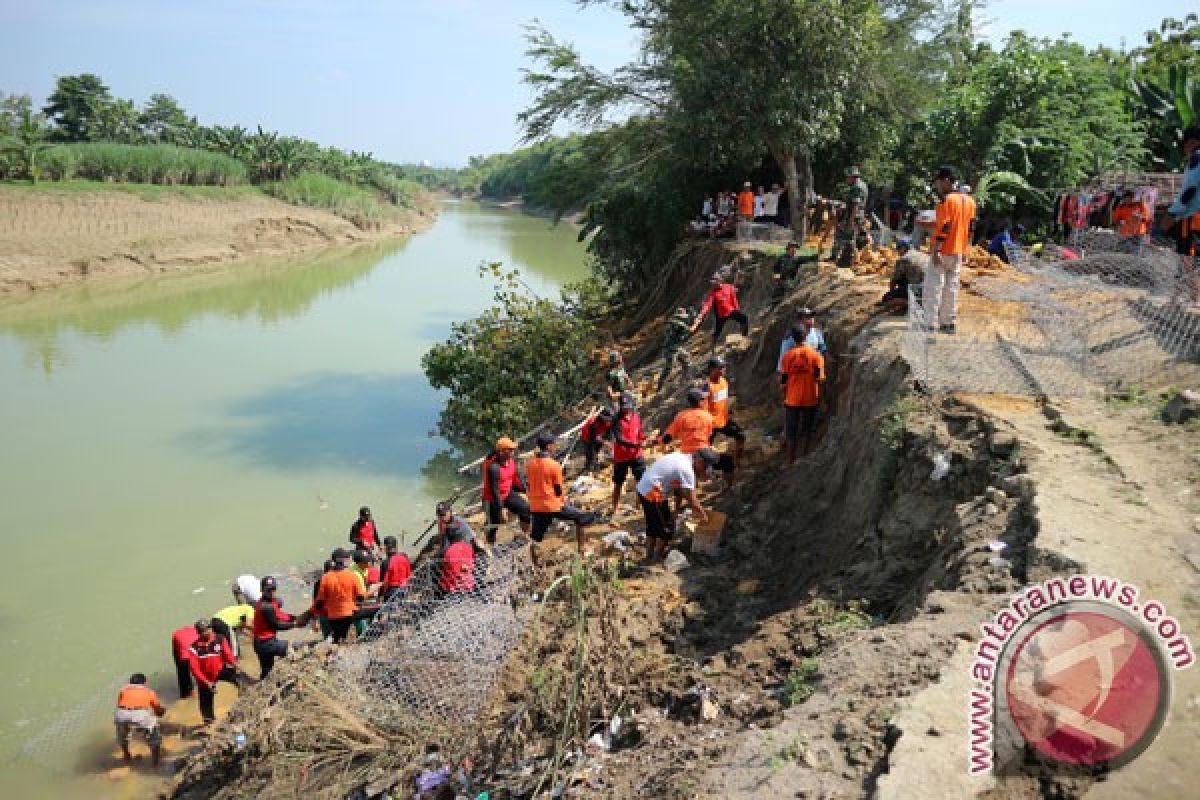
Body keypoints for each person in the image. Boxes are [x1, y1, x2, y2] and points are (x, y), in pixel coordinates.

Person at [526, 431, 598, 564]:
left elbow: (529, 485)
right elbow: (558, 490)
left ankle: (534, 563)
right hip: (552, 504)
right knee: (580, 517)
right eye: (554, 444)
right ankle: (582, 549)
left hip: (536, 506)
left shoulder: (530, 465)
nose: (555, 446)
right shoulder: (554, 465)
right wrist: (563, 500)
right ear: (548, 446)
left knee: (535, 537)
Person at [636, 449, 715, 564]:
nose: (705, 470)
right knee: (668, 528)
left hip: (644, 487)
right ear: (700, 461)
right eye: (705, 467)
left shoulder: (682, 456)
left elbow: (679, 489)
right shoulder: (687, 470)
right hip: (652, 492)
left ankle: (649, 556)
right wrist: (704, 517)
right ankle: (656, 558)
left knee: (653, 525)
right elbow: (693, 500)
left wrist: (677, 509)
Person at [924, 165, 977, 334]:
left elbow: (945, 226)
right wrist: (966, 249)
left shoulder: (946, 201)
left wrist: (936, 250)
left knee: (934, 286)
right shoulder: (970, 202)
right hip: (958, 250)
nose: (937, 185)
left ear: (947, 180)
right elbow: (971, 228)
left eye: (939, 181)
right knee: (951, 287)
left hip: (944, 249)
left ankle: (930, 323)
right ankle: (948, 323)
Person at [780, 336, 826, 463]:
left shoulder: (787, 356)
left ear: (794, 339)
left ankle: (790, 461)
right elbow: (820, 378)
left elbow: (783, 380)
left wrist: (785, 393)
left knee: (791, 433)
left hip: (792, 399)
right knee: (807, 430)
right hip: (810, 398)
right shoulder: (816, 356)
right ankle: (804, 458)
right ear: (805, 337)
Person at [186, 619, 239, 724]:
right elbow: (195, 669)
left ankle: (245, 699)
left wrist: (235, 664)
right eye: (202, 631)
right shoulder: (194, 648)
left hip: (220, 669)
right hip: (205, 677)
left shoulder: (220, 639)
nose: (206, 632)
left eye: (208, 629)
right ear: (198, 633)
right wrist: (207, 682)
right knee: (206, 703)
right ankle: (209, 721)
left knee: (240, 679)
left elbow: (227, 654)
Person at [482, 437, 531, 543]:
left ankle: (524, 535)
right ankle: (490, 543)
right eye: (510, 449)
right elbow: (495, 491)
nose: (513, 451)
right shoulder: (494, 468)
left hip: (507, 494)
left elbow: (516, 477)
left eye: (513, 449)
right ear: (501, 452)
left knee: (525, 509)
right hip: (492, 499)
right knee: (493, 524)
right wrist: (501, 509)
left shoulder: (511, 461)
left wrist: (525, 489)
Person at [313, 548, 366, 644]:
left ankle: (334, 642)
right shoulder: (352, 576)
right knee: (370, 613)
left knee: (336, 637)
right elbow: (361, 597)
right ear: (345, 560)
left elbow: (319, 602)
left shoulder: (325, 577)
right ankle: (363, 639)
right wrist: (356, 606)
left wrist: (319, 616)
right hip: (349, 614)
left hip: (332, 616)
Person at [252, 575, 301, 681]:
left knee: (267, 670)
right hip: (265, 643)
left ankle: (263, 686)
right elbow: (277, 625)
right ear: (262, 590)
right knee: (293, 646)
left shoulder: (272, 602)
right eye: (268, 590)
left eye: (273, 589)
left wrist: (294, 617)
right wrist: (295, 624)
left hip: (261, 642)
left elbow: (280, 614)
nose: (272, 592)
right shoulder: (266, 606)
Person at [114, 673, 165, 766]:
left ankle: (127, 756)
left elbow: (120, 704)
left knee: (122, 734)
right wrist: (162, 712)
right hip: (139, 715)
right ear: (144, 683)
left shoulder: (123, 690)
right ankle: (155, 763)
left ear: (130, 682)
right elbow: (158, 710)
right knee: (154, 737)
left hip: (120, 713)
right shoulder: (149, 692)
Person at [609, 392, 646, 518]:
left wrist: (643, 439)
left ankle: (638, 506)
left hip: (636, 455)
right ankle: (614, 508)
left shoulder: (636, 416)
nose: (626, 409)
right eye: (624, 406)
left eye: (628, 406)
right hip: (621, 457)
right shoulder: (616, 419)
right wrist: (634, 444)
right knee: (618, 482)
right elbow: (619, 438)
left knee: (641, 480)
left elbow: (640, 431)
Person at [703, 356, 745, 461]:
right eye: (720, 367)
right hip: (710, 425)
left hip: (723, 420)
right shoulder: (707, 386)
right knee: (704, 451)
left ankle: (737, 462)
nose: (723, 369)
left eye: (724, 367)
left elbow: (723, 400)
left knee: (741, 436)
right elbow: (702, 408)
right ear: (712, 369)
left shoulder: (723, 381)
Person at [693, 271, 749, 344]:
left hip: (730, 311)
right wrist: (701, 315)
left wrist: (737, 309)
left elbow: (734, 298)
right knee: (717, 331)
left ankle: (744, 336)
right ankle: (713, 344)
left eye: (714, 281)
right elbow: (707, 304)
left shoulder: (728, 287)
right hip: (721, 315)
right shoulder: (713, 293)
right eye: (712, 282)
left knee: (744, 318)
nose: (713, 283)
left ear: (719, 280)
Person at [880, 237, 929, 312]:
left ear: (903, 248)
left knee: (886, 300)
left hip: (918, 290)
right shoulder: (923, 255)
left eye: (898, 249)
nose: (898, 251)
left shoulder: (903, 259)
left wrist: (891, 294)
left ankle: (912, 303)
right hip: (931, 290)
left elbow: (894, 281)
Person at [660, 388, 714, 454]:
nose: (706, 401)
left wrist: (661, 443)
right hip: (703, 453)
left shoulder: (681, 416)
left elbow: (668, 436)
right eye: (704, 399)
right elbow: (710, 436)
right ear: (700, 402)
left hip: (686, 452)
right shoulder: (708, 416)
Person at [834, 166, 869, 267]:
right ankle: (846, 259)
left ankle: (847, 261)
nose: (846, 179)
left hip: (854, 216)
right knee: (850, 237)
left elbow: (855, 205)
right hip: (858, 215)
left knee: (848, 238)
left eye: (848, 177)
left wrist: (850, 220)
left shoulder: (857, 187)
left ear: (853, 177)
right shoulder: (863, 185)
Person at [776, 308, 827, 375]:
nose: (811, 319)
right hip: (795, 375)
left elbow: (822, 351)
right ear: (800, 320)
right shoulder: (791, 336)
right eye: (808, 317)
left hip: (811, 375)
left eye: (812, 316)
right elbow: (783, 360)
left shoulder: (817, 333)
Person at [657, 307, 693, 390]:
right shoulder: (679, 324)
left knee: (686, 359)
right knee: (668, 369)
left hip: (675, 347)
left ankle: (685, 379)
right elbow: (687, 331)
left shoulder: (671, 322)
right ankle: (660, 387)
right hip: (671, 350)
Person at [379, 535, 413, 602]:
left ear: (385, 547)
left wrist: (380, 596)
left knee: (390, 611)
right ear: (396, 546)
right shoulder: (404, 558)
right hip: (404, 590)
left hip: (391, 591)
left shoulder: (385, 562)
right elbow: (409, 575)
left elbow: (383, 582)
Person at [170, 623, 200, 698]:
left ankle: (186, 694)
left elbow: (176, 650)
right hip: (192, 655)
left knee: (183, 675)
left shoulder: (176, 633)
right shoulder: (199, 632)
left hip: (183, 656)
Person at [580, 408, 614, 473]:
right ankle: (590, 469)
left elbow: (610, 432)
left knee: (597, 451)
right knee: (591, 454)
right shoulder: (594, 423)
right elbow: (593, 438)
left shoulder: (609, 422)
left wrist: (609, 441)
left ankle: (594, 465)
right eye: (607, 420)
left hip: (598, 435)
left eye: (610, 420)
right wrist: (604, 442)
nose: (608, 422)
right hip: (587, 438)